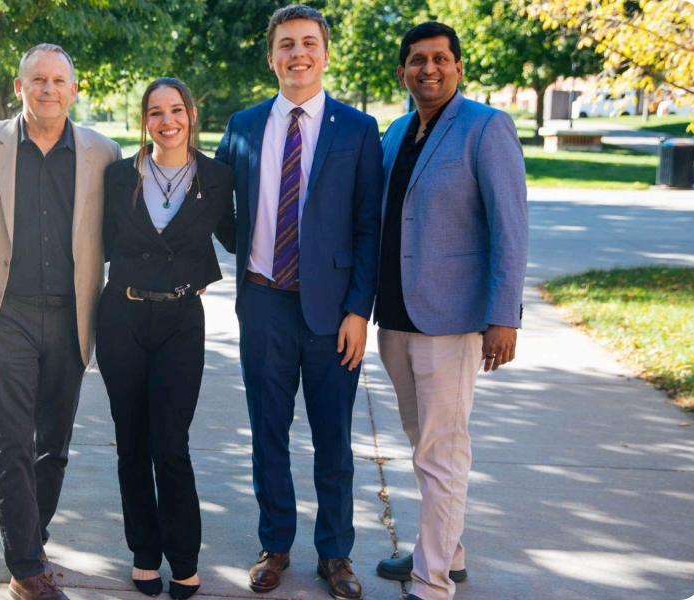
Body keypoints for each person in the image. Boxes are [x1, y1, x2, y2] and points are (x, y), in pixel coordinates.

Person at [213, 5, 384, 599]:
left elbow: (370, 227)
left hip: (334, 315)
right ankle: (275, 544)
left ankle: (336, 554)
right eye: (286, 44)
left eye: (309, 43)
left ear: (325, 53)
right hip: (263, 304)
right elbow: (220, 210)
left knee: (334, 440)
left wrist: (359, 311)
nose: (298, 54)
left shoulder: (358, 129)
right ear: (271, 56)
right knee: (268, 435)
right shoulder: (242, 124)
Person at [0, 43, 120, 600]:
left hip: (72, 315)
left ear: (75, 89)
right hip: (6, 314)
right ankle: (26, 568)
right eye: (37, 80)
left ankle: (33, 540)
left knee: (55, 444)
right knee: (11, 441)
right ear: (19, 87)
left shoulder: (104, 152)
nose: (49, 89)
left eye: (59, 81)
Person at [373, 22, 528, 600]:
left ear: (459, 68)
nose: (428, 69)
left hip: (452, 319)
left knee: (443, 451)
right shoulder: (395, 132)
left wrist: (504, 315)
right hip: (395, 318)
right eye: (417, 60)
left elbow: (510, 227)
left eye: (440, 59)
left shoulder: (486, 127)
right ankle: (448, 552)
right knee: (425, 445)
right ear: (403, 72)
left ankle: (432, 580)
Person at [97, 77, 236, 600]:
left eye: (175, 109)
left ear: (191, 113)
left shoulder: (219, 177)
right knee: (131, 444)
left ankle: (184, 558)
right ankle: (143, 554)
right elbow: (99, 240)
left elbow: (234, 235)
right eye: (155, 112)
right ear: (144, 120)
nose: (166, 121)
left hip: (181, 321)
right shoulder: (117, 177)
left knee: (170, 447)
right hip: (122, 318)